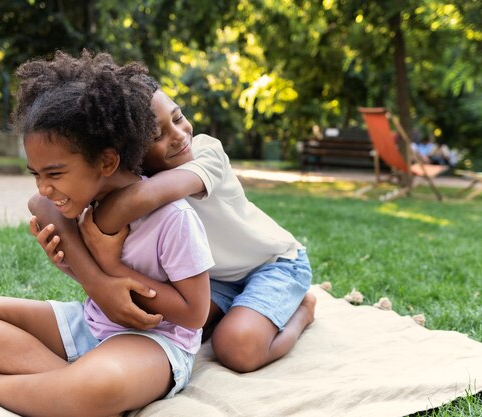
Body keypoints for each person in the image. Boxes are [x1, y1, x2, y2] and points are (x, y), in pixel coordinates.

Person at [0, 51, 214, 417]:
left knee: (99, 386)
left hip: (155, 342)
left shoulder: (173, 218)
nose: (45, 187)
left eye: (54, 174)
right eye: (36, 173)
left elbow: (195, 314)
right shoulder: (83, 203)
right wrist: (72, 267)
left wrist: (113, 269)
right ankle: (66, 387)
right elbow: (40, 203)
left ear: (106, 162)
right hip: (90, 324)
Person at [30, 64, 316, 373]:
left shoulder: (207, 153)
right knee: (162, 324)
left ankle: (303, 310)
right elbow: (41, 203)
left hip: (273, 264)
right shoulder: (136, 175)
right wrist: (92, 277)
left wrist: (92, 250)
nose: (179, 136)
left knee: (236, 348)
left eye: (178, 118)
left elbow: (137, 200)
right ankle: (236, 309)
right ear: (132, 152)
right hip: (213, 279)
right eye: (157, 135)